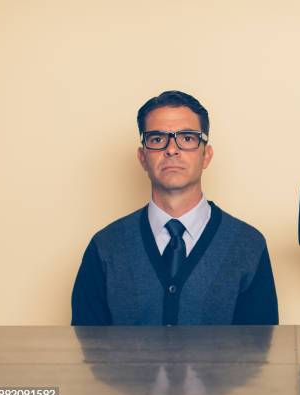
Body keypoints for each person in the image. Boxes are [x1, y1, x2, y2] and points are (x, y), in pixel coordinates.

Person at [71, 90, 278, 325]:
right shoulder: (105, 246)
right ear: (142, 157)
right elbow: (87, 352)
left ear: (206, 155)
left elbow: (260, 353)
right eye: (157, 139)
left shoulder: (247, 245)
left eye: (187, 138)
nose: (171, 149)